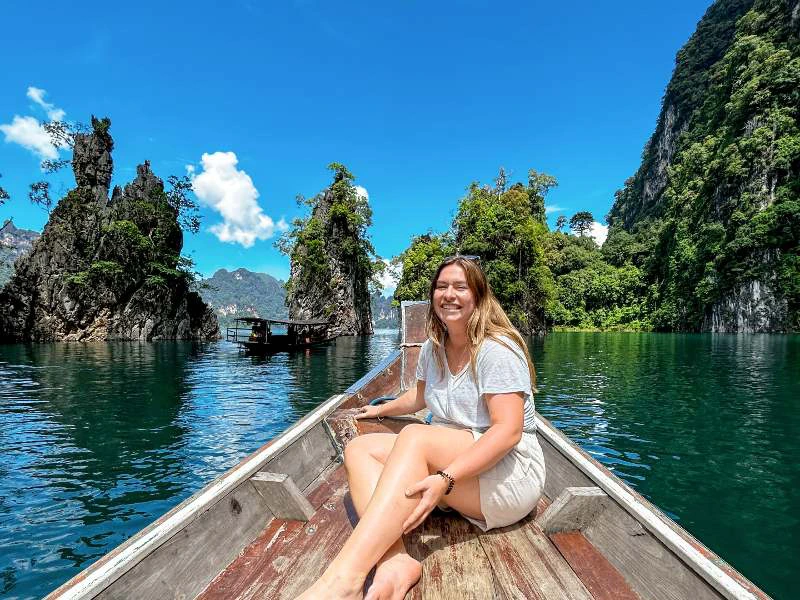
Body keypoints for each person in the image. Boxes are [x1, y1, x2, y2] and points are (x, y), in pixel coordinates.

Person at [298, 255, 546, 600]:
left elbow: (508, 432)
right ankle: (394, 561)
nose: (449, 294)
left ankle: (342, 581)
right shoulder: (434, 347)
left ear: (478, 296)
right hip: (457, 461)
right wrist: (377, 409)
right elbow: (418, 397)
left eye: (460, 287)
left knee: (415, 437)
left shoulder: (497, 349)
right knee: (359, 449)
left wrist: (446, 478)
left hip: (509, 474)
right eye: (441, 287)